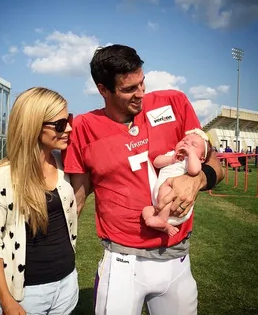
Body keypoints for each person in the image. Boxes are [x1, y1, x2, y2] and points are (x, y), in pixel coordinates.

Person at [63, 44, 224, 315]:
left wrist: (196, 182)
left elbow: (217, 166)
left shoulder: (174, 102)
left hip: (177, 258)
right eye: (129, 89)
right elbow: (75, 200)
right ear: (103, 89)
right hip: (122, 262)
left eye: (142, 83)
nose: (141, 94)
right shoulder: (84, 128)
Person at [0, 87, 78, 315]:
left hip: (67, 284)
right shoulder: (3, 176)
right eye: (61, 124)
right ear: (34, 126)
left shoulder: (63, 165)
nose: (69, 129)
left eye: (69, 120)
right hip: (27, 295)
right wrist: (6, 301)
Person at [142, 128, 212, 237]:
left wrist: (191, 154)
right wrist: (171, 159)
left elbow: (194, 171)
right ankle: (165, 226)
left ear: (202, 158)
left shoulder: (193, 161)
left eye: (194, 145)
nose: (187, 143)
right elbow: (156, 162)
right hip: (158, 205)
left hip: (176, 203)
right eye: (185, 140)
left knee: (166, 188)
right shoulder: (172, 155)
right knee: (146, 211)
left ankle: (161, 219)